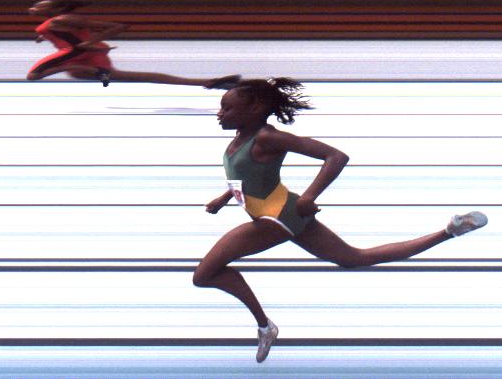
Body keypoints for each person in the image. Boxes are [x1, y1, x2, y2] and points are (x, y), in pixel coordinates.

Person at [198, 77, 488, 363]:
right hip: (283, 213)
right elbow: (247, 176)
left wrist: (309, 196)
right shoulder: (241, 139)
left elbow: (336, 156)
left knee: (204, 275)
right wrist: (225, 198)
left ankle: (265, 327)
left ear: (255, 109)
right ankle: (449, 232)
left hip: (276, 218)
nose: (220, 113)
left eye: (227, 108)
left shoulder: (268, 137)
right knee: (354, 258)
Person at [23, 0, 240, 88]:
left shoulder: (62, 19)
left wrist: (89, 42)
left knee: (34, 76)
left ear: (56, 9)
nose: (34, 8)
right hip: (85, 53)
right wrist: (45, 37)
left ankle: (96, 71)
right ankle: (210, 82)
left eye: (40, 6)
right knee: (133, 76)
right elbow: (64, 33)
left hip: (76, 53)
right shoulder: (55, 22)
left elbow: (117, 27)